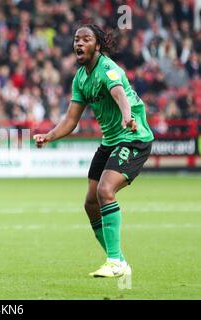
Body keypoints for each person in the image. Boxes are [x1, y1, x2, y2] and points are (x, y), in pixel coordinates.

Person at [33, 24, 154, 278]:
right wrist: (49, 136)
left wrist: (127, 116)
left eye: (86, 39)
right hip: (111, 141)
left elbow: (120, 94)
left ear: (97, 45)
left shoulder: (107, 68)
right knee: (90, 203)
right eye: (77, 40)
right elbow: (70, 120)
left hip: (133, 136)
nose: (79, 44)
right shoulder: (81, 77)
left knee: (105, 191)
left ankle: (114, 261)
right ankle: (118, 259)